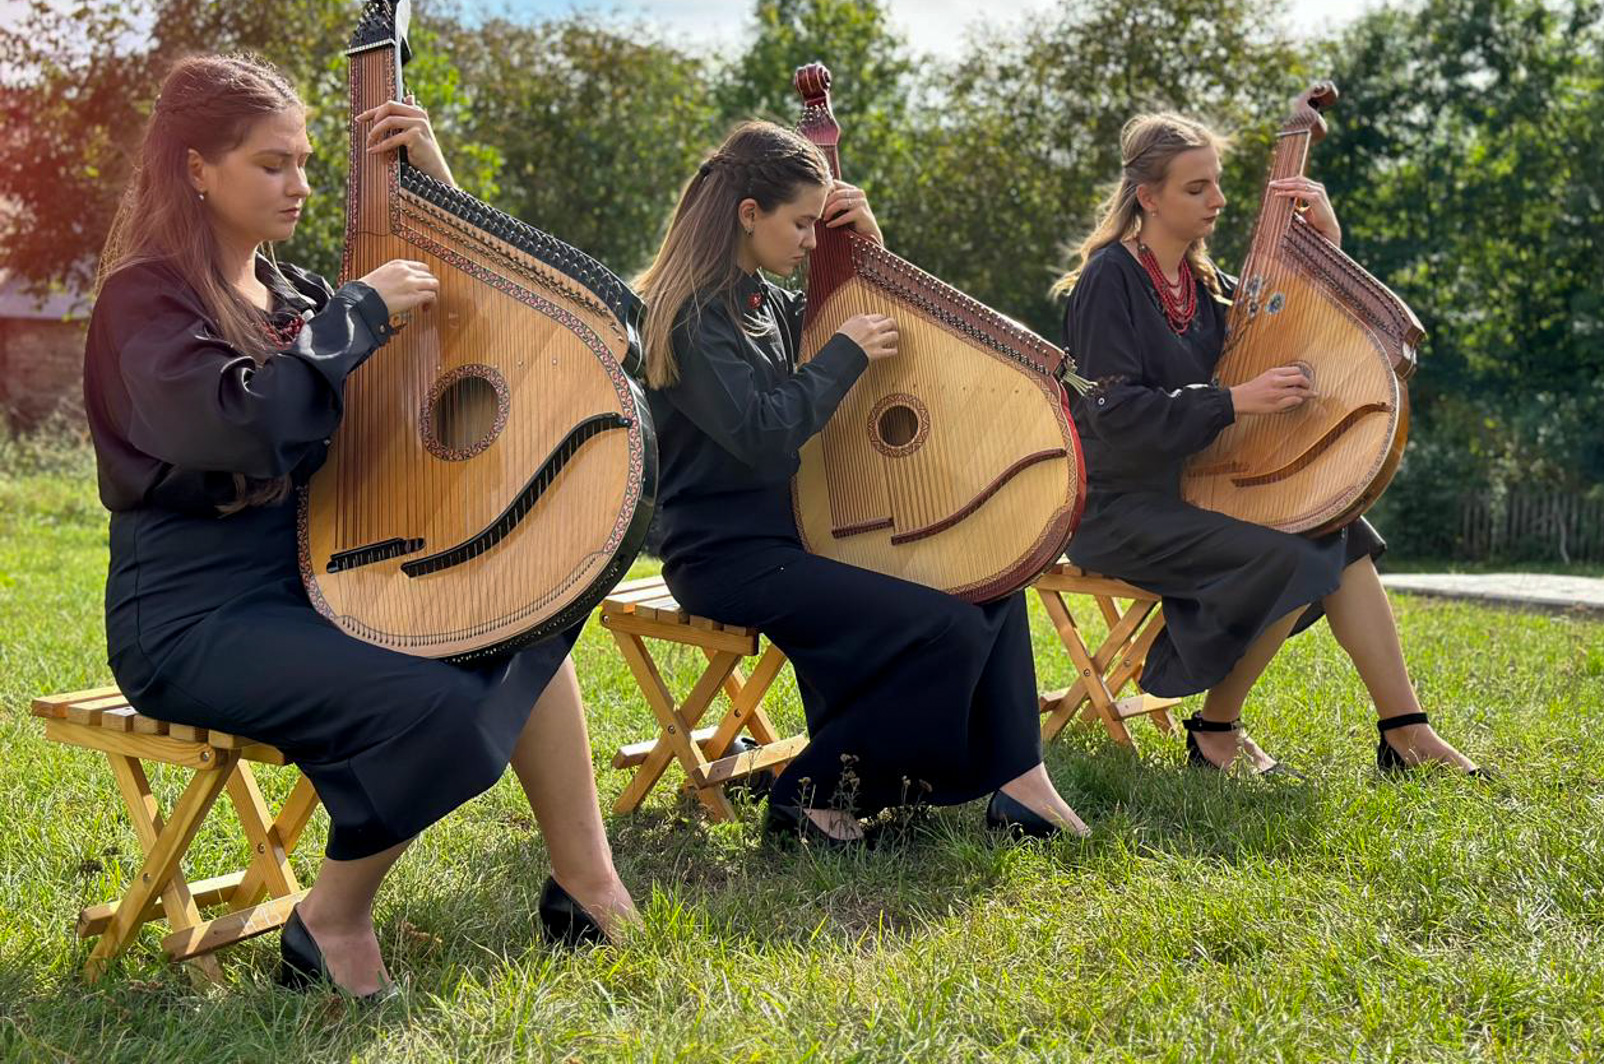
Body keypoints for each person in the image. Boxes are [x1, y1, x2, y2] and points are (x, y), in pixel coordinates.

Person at [83, 53, 640, 999]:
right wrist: (355, 318)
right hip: (192, 620)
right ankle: (330, 919)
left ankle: (588, 887)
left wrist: (431, 181)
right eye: (271, 164)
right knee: (446, 714)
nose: (299, 184)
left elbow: (481, 322)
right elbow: (240, 422)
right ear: (194, 169)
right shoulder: (148, 299)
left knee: (534, 613)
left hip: (325, 581)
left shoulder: (296, 293)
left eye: (304, 161)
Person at [635, 121, 1089, 847]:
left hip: (806, 534)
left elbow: (849, 307)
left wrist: (869, 246)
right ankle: (808, 797)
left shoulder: (762, 301)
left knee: (993, 579)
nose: (813, 240)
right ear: (748, 214)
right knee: (943, 629)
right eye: (802, 223)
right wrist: (842, 357)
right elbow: (760, 436)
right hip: (727, 556)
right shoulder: (689, 315)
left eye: (820, 223)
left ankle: (1021, 783)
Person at [1055, 111, 1484, 777]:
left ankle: (1406, 730)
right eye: (1196, 188)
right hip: (1120, 508)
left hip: (1202, 483)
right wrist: (1235, 401)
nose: (1218, 201)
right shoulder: (1109, 279)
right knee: (1294, 553)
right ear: (1149, 195)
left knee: (1342, 528)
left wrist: (1326, 242)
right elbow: (1114, 413)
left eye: (1218, 184)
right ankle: (1216, 728)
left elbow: (1285, 331)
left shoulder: (1205, 283)